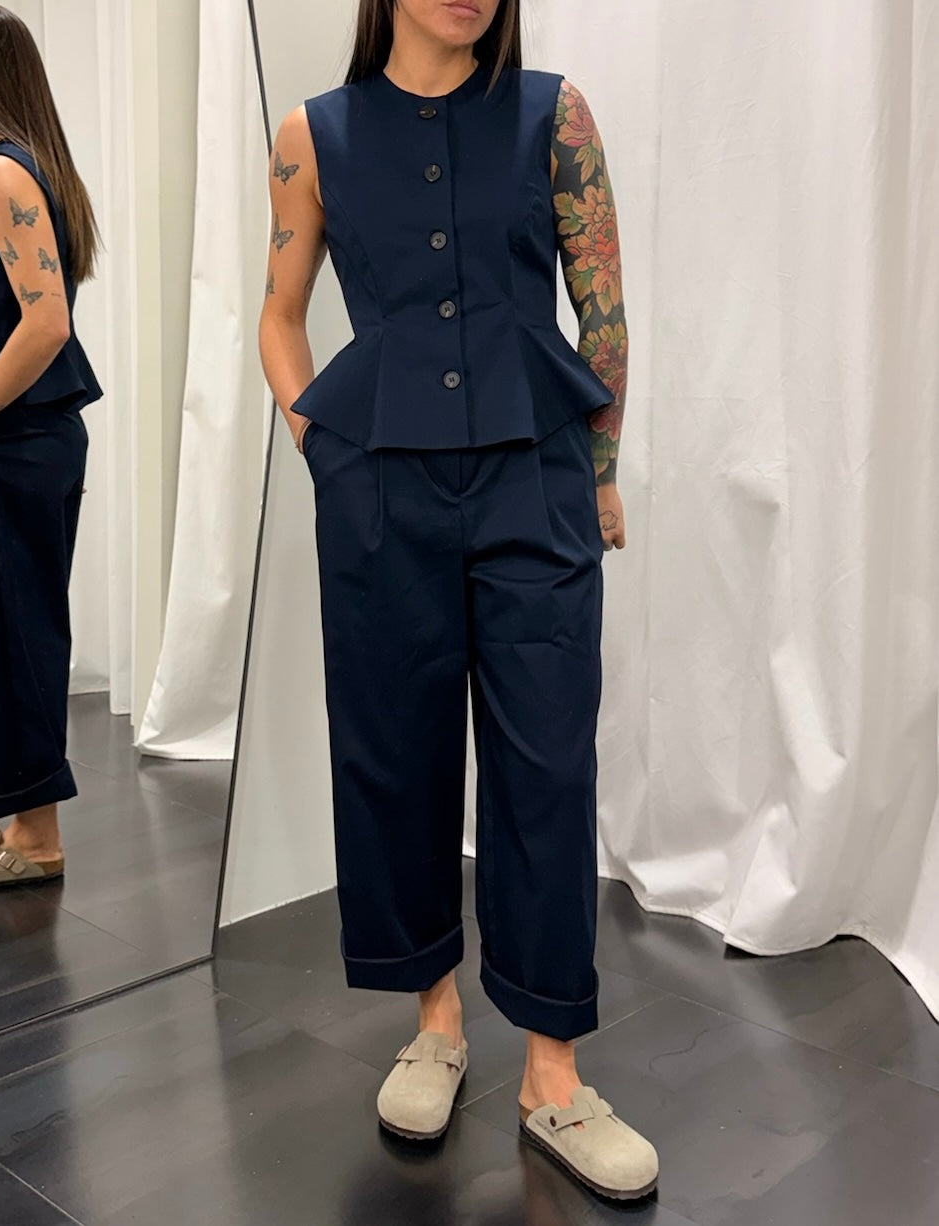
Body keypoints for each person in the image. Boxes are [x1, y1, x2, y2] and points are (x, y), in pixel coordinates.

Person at [258, 0, 656, 1200]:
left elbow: (602, 312)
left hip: (536, 476)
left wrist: (597, 473)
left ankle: (552, 1071)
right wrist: (327, 454)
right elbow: (279, 314)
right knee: (396, 746)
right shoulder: (314, 134)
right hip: (382, 489)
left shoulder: (554, 116)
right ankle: (435, 1018)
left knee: (549, 759)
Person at [0, 2, 102, 888]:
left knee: (15, 633)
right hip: (16, 440)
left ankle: (36, 838)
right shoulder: (17, 165)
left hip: (7, 440)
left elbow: (46, 323)